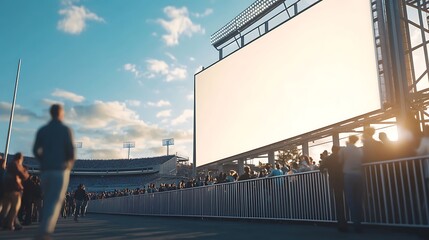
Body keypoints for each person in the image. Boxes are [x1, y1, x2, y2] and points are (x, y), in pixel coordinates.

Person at [33, 104, 75, 240]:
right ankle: (44, 232)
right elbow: (71, 152)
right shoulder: (65, 130)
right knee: (54, 202)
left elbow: (35, 150)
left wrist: (43, 161)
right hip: (60, 170)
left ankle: (44, 229)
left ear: (50, 113)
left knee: (47, 200)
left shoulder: (43, 130)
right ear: (61, 114)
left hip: (45, 170)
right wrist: (68, 165)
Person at [339, 135, 364, 233]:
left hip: (348, 175)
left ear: (349, 139)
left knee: (351, 199)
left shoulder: (344, 150)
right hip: (359, 174)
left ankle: (356, 223)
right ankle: (360, 221)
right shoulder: (359, 151)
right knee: (358, 199)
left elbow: (340, 161)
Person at [320, 146, 347, 232]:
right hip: (345, 179)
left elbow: (321, 168)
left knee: (339, 202)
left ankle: (341, 223)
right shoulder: (342, 156)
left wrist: (324, 170)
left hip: (334, 181)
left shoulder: (328, 158)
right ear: (338, 150)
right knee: (348, 200)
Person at [2, 152, 29, 230]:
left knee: (6, 208)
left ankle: (6, 223)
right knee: (15, 208)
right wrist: (25, 170)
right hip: (14, 189)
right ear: (20, 158)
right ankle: (10, 224)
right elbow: (24, 176)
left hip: (7, 189)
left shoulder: (9, 165)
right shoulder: (16, 165)